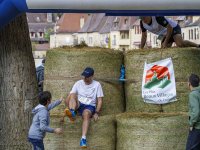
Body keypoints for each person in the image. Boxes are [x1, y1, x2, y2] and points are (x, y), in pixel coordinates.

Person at [62, 67, 104, 148]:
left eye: (87, 77)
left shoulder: (97, 84)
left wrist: (96, 112)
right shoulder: (78, 83)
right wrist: (69, 102)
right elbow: (69, 99)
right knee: (72, 94)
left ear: (92, 76)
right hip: (78, 104)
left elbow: (100, 100)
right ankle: (72, 112)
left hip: (89, 106)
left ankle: (83, 139)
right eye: (84, 76)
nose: (85, 78)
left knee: (86, 114)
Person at [186, 74, 200, 150]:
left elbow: (196, 111)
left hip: (197, 127)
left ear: (189, 83)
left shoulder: (193, 94)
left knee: (190, 148)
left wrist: (191, 124)